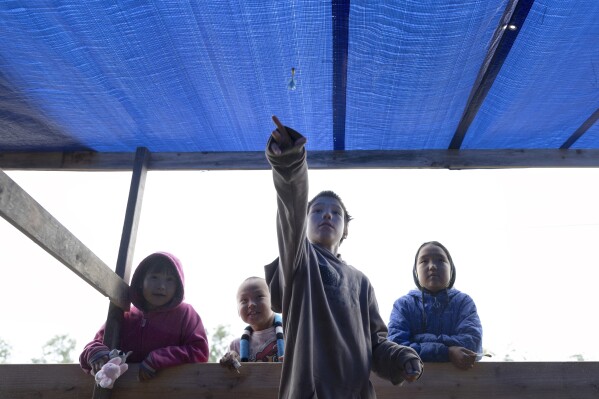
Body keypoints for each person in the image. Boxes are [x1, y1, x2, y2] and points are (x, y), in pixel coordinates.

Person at [264, 115, 423, 398]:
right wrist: (290, 164)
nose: (327, 214)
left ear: (345, 230)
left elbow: (376, 343)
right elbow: (290, 207)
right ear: (305, 221)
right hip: (307, 391)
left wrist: (400, 357)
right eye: (317, 210)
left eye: (336, 212)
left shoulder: (361, 282)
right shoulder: (300, 260)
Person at [79, 252, 209, 381]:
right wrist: (96, 354)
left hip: (173, 390)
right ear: (141, 282)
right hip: (125, 392)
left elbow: (199, 351)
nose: (161, 286)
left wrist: (158, 359)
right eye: (154, 277)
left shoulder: (185, 314)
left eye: (170, 280)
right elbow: (94, 345)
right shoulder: (125, 315)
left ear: (178, 287)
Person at [387, 241, 483, 370]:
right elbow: (396, 346)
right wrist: (447, 351)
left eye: (440, 260)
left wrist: (417, 340)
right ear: (415, 271)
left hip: (459, 385)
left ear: (451, 269)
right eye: (424, 261)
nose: (432, 266)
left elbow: (471, 344)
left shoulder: (464, 303)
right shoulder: (403, 305)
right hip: (413, 386)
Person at [219, 276, 284, 371]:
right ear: (238, 310)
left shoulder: (292, 336)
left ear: (274, 301)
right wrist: (232, 361)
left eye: (259, 297)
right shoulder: (235, 346)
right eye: (244, 300)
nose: (251, 304)